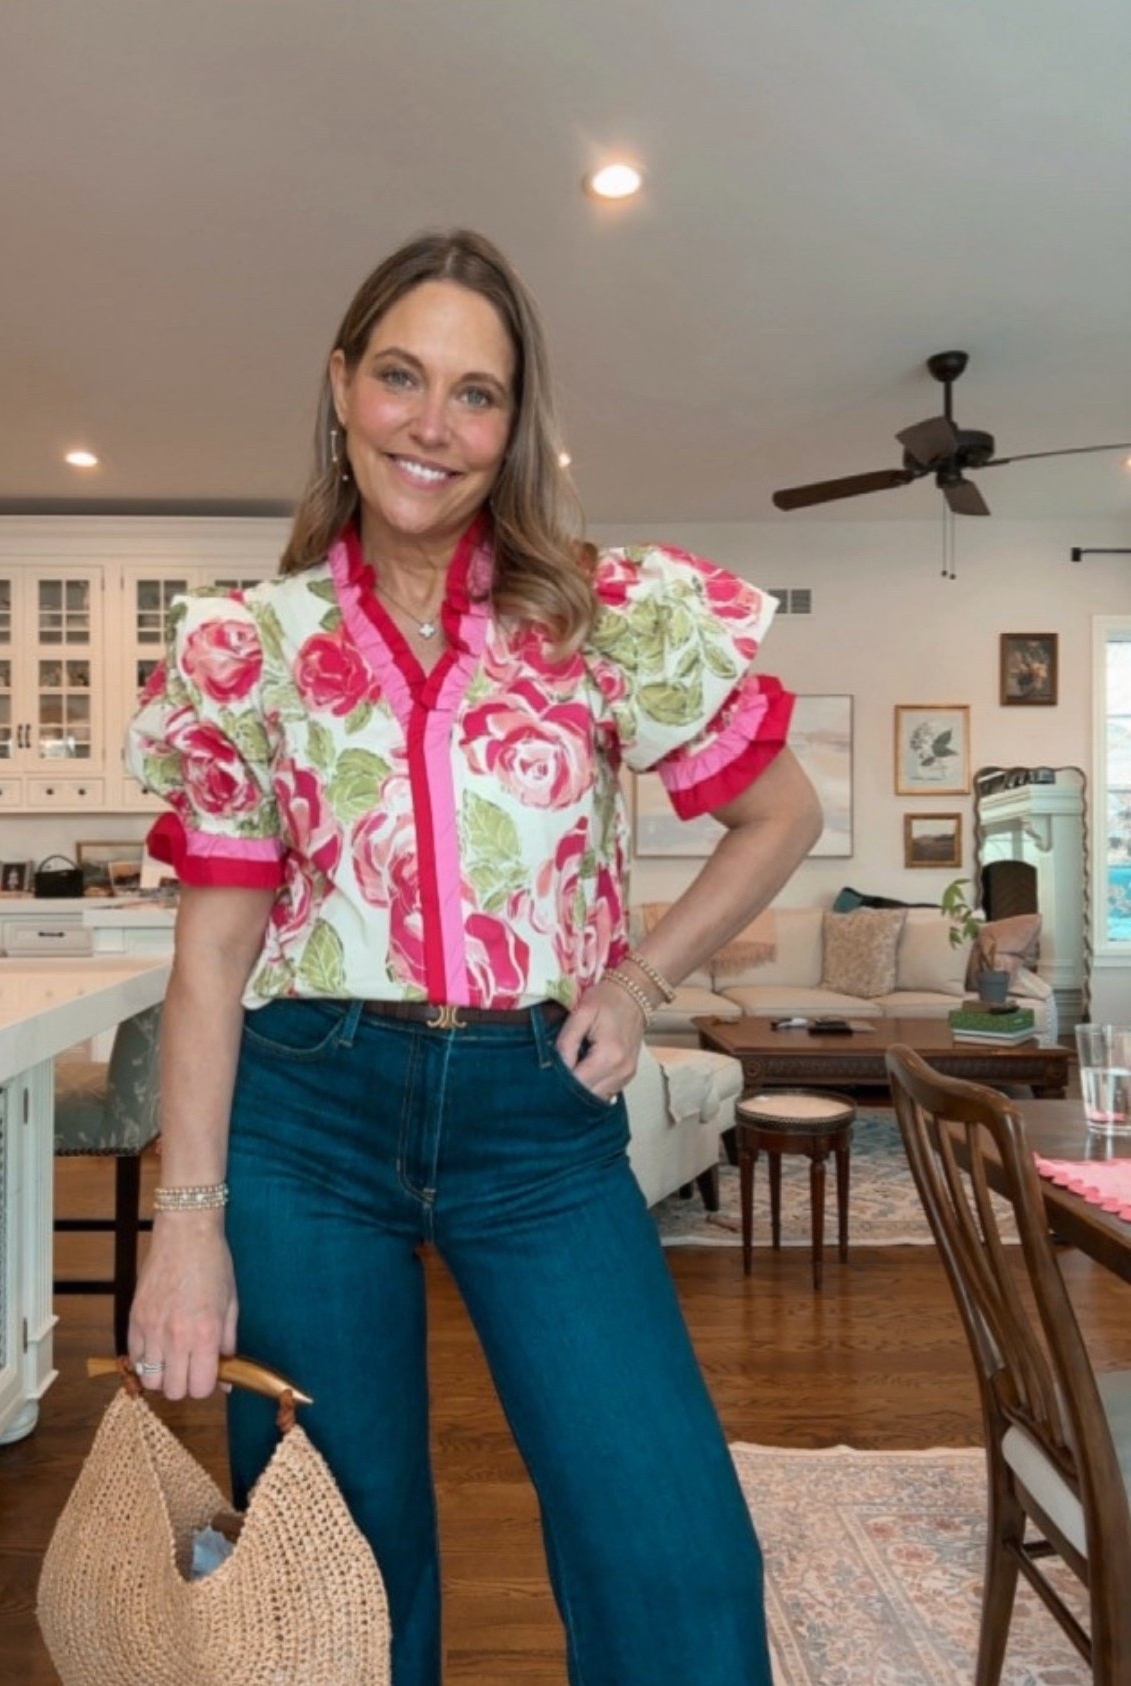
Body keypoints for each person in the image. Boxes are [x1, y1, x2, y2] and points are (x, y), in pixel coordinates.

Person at [125, 228, 822, 1686]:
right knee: (336, 1567)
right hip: (306, 1118)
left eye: (476, 393)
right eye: (399, 375)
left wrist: (637, 978)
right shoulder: (249, 648)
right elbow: (213, 955)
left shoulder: (607, 615)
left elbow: (779, 809)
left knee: (675, 1547)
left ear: (514, 426)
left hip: (536, 1122)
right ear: (340, 385)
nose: (431, 424)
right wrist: (186, 1221)